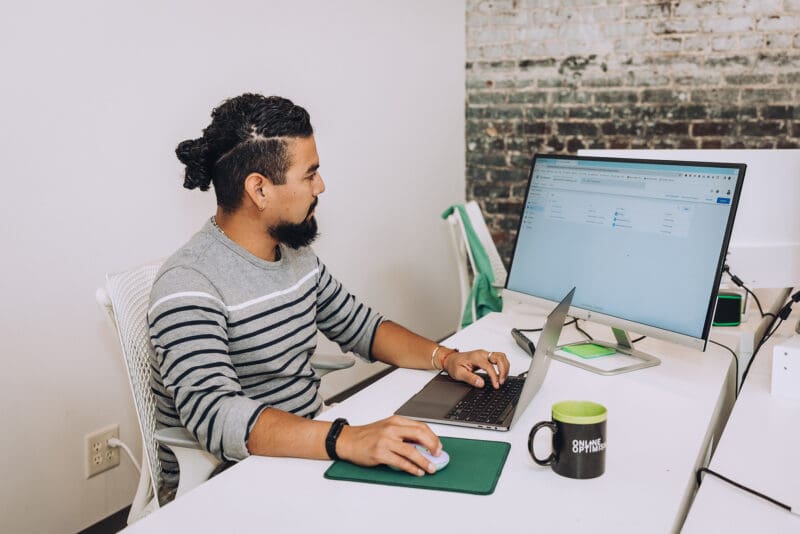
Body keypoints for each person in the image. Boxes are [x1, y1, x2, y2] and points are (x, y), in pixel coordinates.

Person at [148, 93, 509, 494]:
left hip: (305, 449)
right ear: (259, 190)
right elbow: (217, 416)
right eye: (309, 174)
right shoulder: (188, 283)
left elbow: (362, 327)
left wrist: (447, 358)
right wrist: (347, 439)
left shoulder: (295, 256)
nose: (321, 185)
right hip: (226, 481)